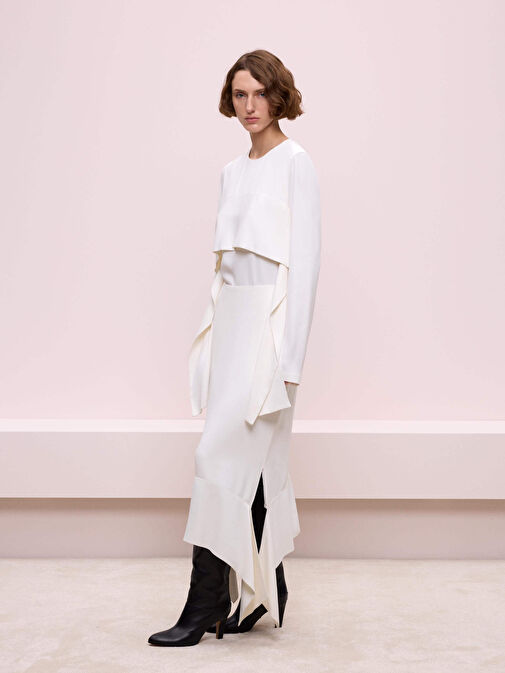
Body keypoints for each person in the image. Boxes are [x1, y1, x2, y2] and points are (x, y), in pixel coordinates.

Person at [148, 49, 321, 647]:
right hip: (231, 328)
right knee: (250, 465)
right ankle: (265, 589)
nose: (250, 106)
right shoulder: (230, 171)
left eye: (260, 93)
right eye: (240, 95)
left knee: (223, 459)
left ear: (279, 96)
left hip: (270, 330)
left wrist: (290, 361)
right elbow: (223, 269)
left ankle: (206, 603)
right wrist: (211, 339)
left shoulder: (296, 163)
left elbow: (305, 267)